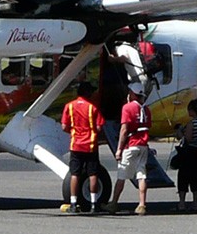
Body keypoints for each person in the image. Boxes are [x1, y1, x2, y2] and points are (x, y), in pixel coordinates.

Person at [106, 82, 152, 215]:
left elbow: (124, 130)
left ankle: (114, 203)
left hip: (131, 144)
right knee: (141, 174)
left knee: (122, 175)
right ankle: (142, 204)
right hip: (143, 144)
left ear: (132, 93)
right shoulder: (146, 109)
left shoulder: (127, 108)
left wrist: (119, 149)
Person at [60, 81, 105, 214]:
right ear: (87, 93)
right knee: (93, 174)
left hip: (76, 144)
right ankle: (93, 203)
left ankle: (73, 203)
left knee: (75, 174)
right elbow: (99, 127)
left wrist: (74, 132)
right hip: (90, 145)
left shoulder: (69, 106)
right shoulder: (93, 108)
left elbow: (64, 126)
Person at [175, 98, 197, 211]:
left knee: (183, 177)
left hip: (189, 152)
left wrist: (180, 132)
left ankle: (182, 203)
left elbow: (188, 138)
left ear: (194, 110)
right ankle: (195, 203)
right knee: (196, 177)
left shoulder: (192, 123)